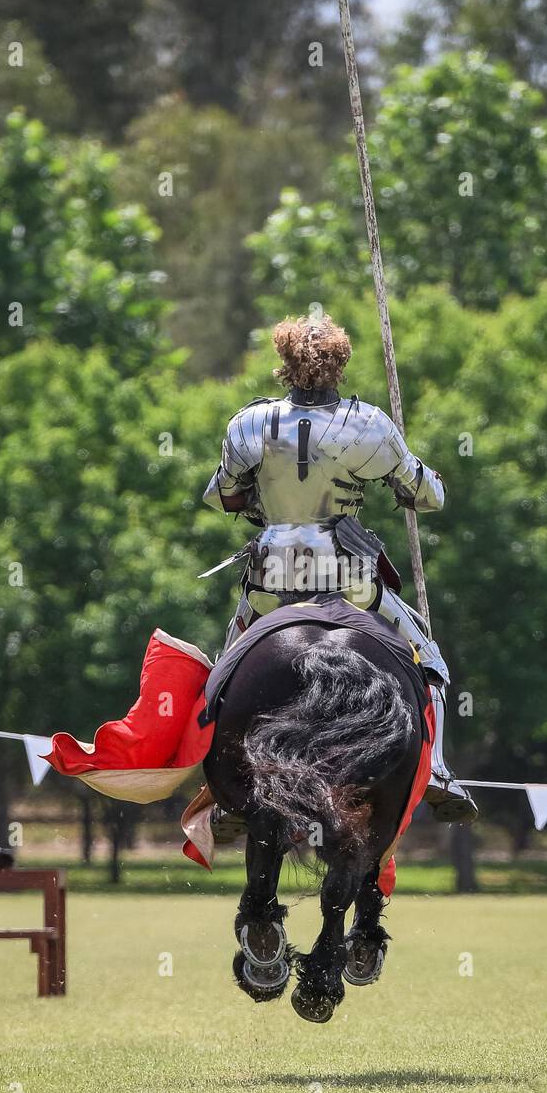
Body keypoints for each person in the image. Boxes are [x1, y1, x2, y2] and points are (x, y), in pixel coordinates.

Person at [203, 314, 477, 824]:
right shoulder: (368, 423)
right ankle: (437, 771)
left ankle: (224, 791)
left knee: (222, 673)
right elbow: (429, 495)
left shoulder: (249, 422)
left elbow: (222, 494)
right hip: (347, 579)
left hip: (271, 579)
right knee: (431, 663)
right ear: (340, 364)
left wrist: (262, 499)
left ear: (283, 364)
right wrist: (407, 481)